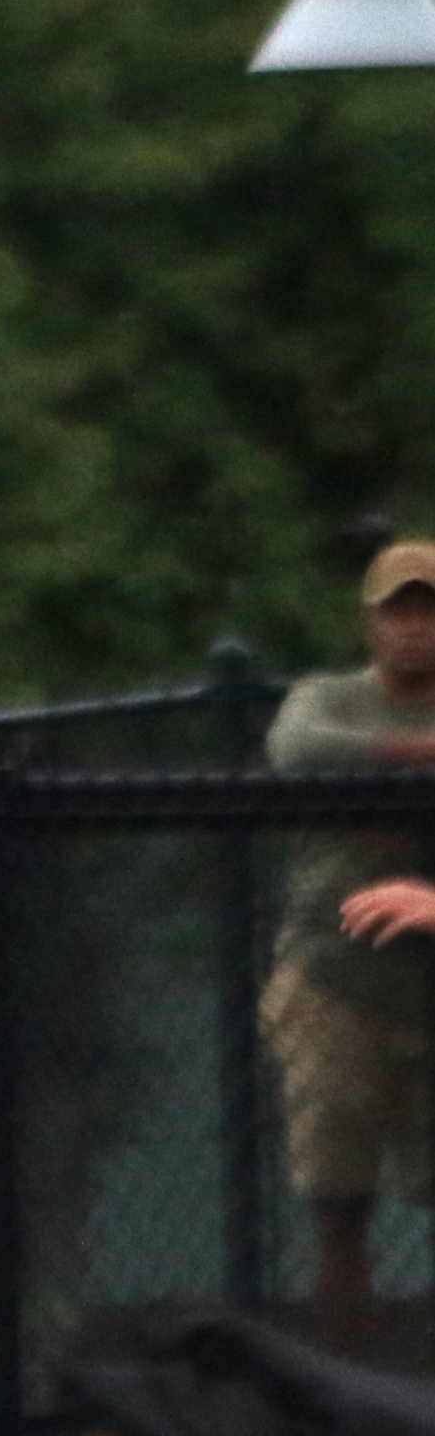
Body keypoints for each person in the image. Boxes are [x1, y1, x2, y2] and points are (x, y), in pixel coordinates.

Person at [261, 540, 435, 1353]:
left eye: (428, 609)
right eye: (397, 610)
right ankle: (340, 1389)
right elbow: (296, 752)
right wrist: (421, 759)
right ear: (368, 622)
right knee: (336, 1207)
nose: (414, 626)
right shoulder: (327, 699)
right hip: (335, 984)